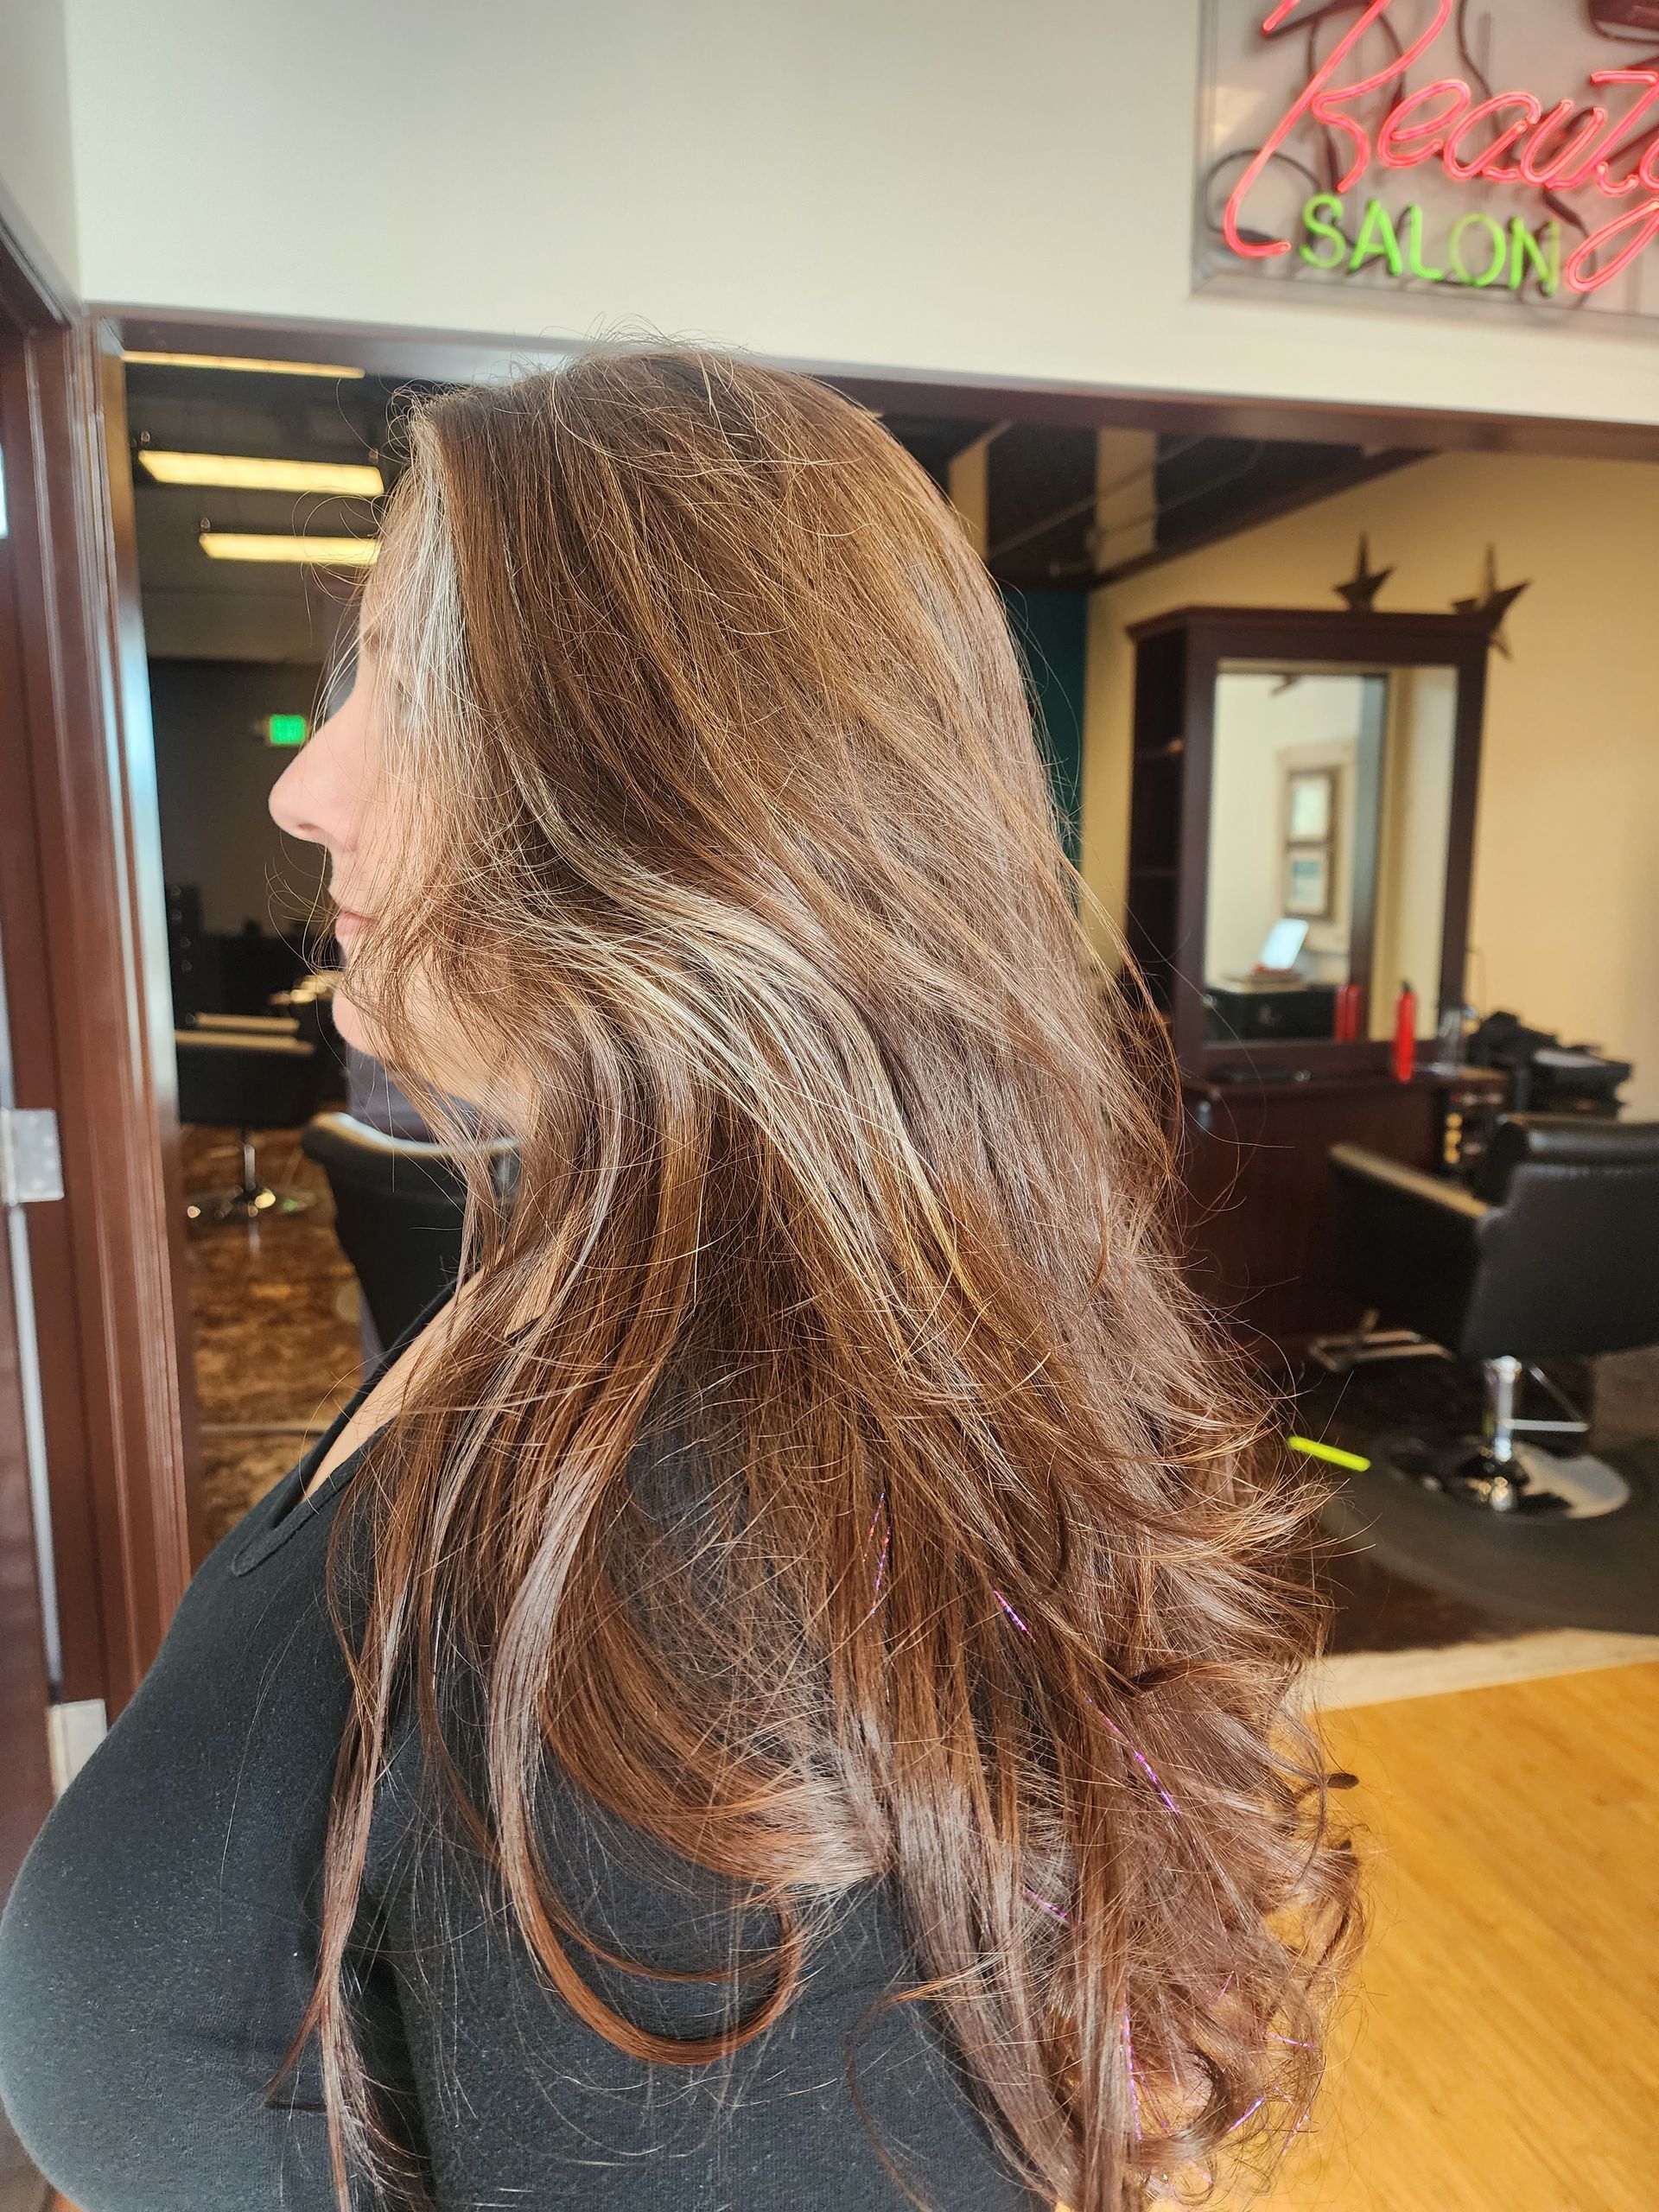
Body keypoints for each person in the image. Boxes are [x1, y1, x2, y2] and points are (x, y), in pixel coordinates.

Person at [0, 344, 1359, 2212]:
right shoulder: (591, 1285)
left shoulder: (696, 1554)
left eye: (407, 678)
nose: (307, 787)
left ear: (674, 797)